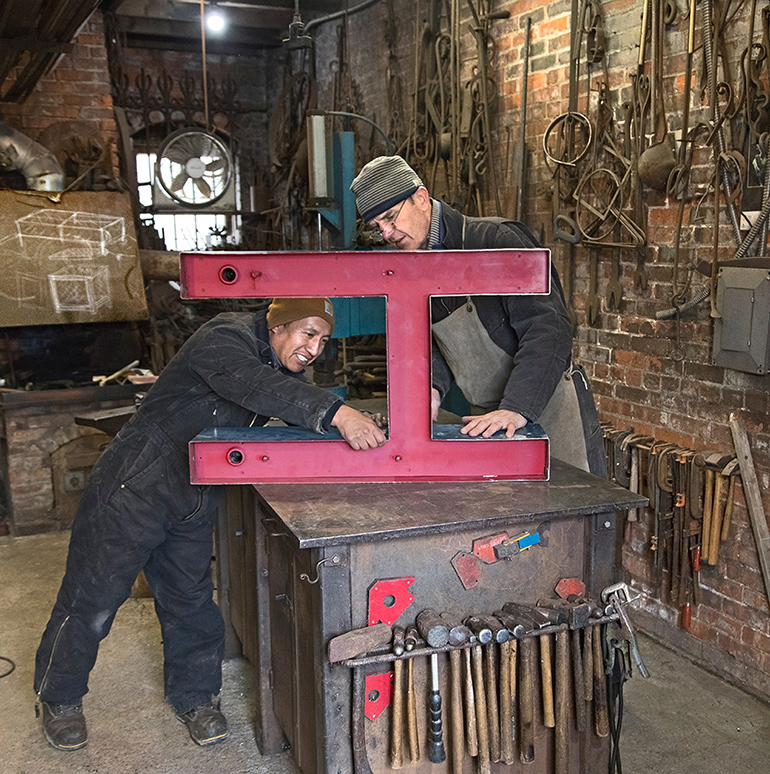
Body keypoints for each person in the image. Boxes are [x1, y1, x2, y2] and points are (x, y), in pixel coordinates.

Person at [34, 297, 386, 752]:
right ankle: (59, 697)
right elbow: (254, 386)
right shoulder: (224, 338)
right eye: (307, 333)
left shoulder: (286, 367)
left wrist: (358, 423)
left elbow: (285, 408)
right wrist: (337, 412)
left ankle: (195, 698)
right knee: (93, 598)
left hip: (196, 493)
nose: (314, 348)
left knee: (192, 601)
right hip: (135, 485)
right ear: (278, 324)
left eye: (322, 339)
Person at [350, 155, 606, 477]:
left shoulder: (496, 241)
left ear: (421, 198)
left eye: (390, 217)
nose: (387, 233)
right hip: (487, 417)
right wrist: (429, 390)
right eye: (377, 227)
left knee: (573, 509)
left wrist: (516, 408)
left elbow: (549, 329)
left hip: (549, 406)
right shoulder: (414, 269)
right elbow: (438, 343)